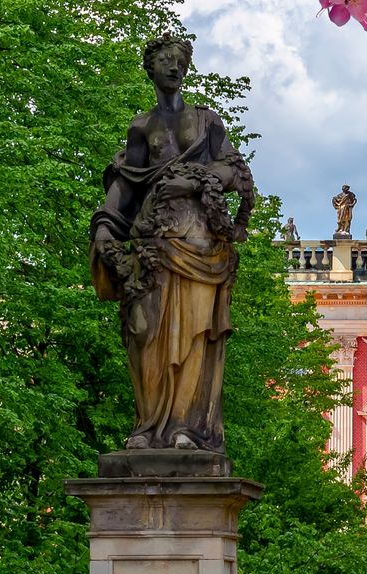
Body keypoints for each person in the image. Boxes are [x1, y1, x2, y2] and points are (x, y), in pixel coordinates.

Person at [91, 33, 255, 452]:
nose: (173, 66)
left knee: (195, 334)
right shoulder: (141, 126)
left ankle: (186, 427)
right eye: (165, 59)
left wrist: (195, 181)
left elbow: (235, 172)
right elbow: (127, 185)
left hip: (200, 244)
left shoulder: (207, 122)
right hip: (153, 242)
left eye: (180, 61)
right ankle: (147, 427)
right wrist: (105, 226)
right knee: (145, 332)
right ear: (151, 68)